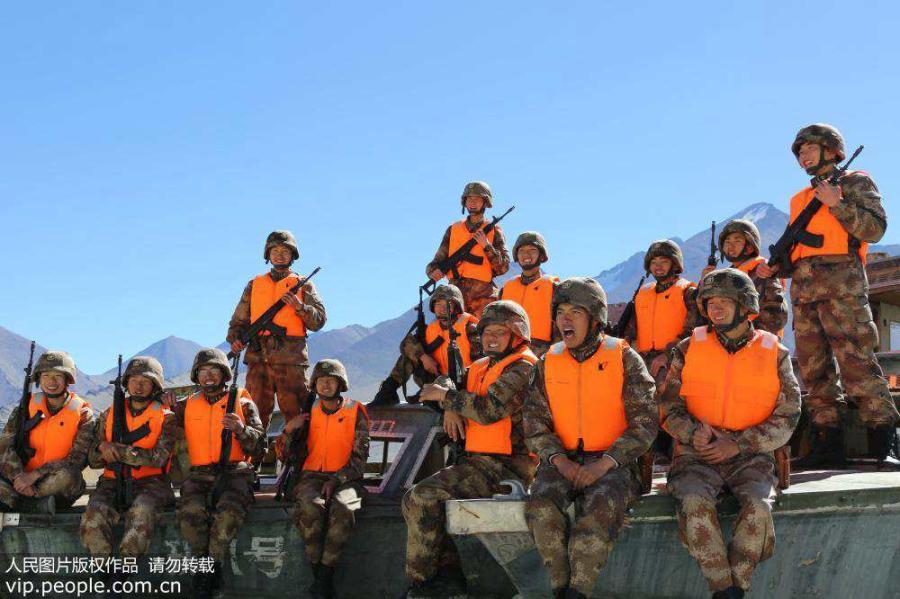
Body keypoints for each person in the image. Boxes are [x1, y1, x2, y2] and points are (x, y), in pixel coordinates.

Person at [757, 123, 898, 467]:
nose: (803, 156)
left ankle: (885, 441)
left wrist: (838, 204)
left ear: (831, 150)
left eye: (809, 149)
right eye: (799, 152)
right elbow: (802, 251)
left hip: (843, 289)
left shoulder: (855, 182)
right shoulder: (799, 199)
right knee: (815, 371)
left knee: (857, 363)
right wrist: (778, 267)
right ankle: (826, 445)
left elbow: (874, 229)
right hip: (805, 294)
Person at [661, 268, 801, 598]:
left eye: (725, 301)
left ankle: (736, 586)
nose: (716, 309)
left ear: (745, 305)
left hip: (751, 456)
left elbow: (789, 415)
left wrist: (737, 444)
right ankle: (724, 590)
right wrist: (692, 433)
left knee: (758, 508)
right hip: (697, 455)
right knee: (693, 503)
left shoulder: (775, 352)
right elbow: (666, 406)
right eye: (710, 302)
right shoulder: (687, 347)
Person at [524, 278, 657, 598]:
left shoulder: (624, 357)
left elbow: (646, 422)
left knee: (598, 513)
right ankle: (560, 589)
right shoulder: (547, 362)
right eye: (560, 312)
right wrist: (561, 462)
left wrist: (605, 464)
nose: (565, 320)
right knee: (540, 507)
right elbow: (534, 423)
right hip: (561, 462)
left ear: (595, 319)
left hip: (616, 464)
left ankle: (577, 592)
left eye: (575, 312)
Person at [403, 301, 537, 597]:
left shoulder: (523, 368)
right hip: (480, 463)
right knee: (417, 499)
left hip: (508, 467)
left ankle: (424, 583)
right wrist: (449, 404)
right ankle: (445, 578)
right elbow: (448, 379)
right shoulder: (481, 366)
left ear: (517, 335)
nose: (491, 338)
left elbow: (491, 409)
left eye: (500, 332)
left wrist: (448, 399)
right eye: (487, 332)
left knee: (422, 498)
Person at [227, 230, 327, 455]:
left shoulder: (303, 284)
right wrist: (235, 340)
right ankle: (251, 467)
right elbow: (238, 321)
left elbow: (319, 320)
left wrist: (299, 307)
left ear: (293, 255)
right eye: (275, 251)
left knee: (298, 416)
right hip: (257, 361)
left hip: (290, 362)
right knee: (253, 416)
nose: (280, 255)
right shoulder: (254, 285)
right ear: (268, 255)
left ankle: (299, 466)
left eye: (285, 251)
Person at [175, 348, 264, 598]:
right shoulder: (186, 406)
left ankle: (212, 569)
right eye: (203, 371)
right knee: (190, 515)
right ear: (196, 376)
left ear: (225, 374)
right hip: (200, 475)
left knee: (228, 514)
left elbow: (260, 447)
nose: (209, 376)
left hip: (235, 473)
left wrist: (241, 429)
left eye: (214, 370)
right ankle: (202, 569)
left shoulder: (243, 403)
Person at [279, 359, 370, 599]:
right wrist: (289, 429)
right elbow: (283, 454)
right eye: (321, 380)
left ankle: (324, 575)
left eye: (331, 380)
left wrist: (337, 480)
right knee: (310, 508)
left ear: (341, 384)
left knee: (343, 507)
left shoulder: (355, 410)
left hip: (347, 478)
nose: (326, 385)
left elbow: (360, 460)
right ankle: (319, 575)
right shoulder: (307, 412)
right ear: (314, 384)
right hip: (310, 477)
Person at [80, 356, 176, 558]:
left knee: (141, 512)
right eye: (133, 380)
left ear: (155, 385)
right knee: (93, 514)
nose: (138, 386)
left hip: (152, 484)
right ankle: (103, 570)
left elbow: (158, 458)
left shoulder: (166, 416)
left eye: (145, 382)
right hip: (111, 482)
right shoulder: (109, 414)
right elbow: (93, 459)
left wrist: (118, 451)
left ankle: (124, 569)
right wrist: (102, 449)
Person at [0, 350, 94, 513]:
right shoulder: (25, 408)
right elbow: (5, 446)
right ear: (38, 378)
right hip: (19, 480)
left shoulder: (83, 414)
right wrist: (18, 477)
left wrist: (35, 475)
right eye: (46, 375)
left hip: (53, 482)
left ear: (67, 380)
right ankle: (31, 505)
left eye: (58, 376)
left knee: (71, 477)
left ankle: (22, 503)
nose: (51, 381)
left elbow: (77, 460)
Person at [371, 284, 480, 406]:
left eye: (447, 304)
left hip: (464, 384)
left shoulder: (469, 328)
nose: (442, 308)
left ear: (457, 306)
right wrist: (423, 357)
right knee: (411, 354)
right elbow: (406, 344)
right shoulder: (431, 329)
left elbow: (482, 363)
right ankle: (388, 391)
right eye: (438, 304)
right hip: (438, 380)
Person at [425, 181, 511, 317]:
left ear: (486, 202)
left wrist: (486, 246)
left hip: (483, 297)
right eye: (469, 198)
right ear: (464, 202)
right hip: (454, 298)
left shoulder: (494, 231)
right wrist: (433, 272)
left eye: (477, 199)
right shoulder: (453, 230)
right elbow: (436, 262)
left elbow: (503, 268)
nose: (472, 202)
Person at [625, 239, 700, 388]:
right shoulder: (642, 294)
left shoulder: (688, 292)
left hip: (676, 361)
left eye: (664, 261)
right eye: (653, 262)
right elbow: (631, 332)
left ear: (674, 264)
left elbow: (693, 332)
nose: (658, 266)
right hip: (643, 362)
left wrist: (667, 355)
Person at [701, 219, 788, 338]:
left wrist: (748, 338)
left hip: (758, 343)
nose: (731, 246)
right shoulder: (726, 277)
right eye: (727, 241)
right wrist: (704, 283)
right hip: (731, 345)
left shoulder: (762, 271)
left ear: (750, 247)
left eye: (737, 241)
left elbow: (776, 315)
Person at [500, 231, 560, 357]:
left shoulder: (554, 287)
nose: (526, 254)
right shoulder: (506, 288)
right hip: (509, 353)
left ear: (541, 255)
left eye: (532, 250)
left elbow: (561, 327)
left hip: (542, 354)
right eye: (521, 250)